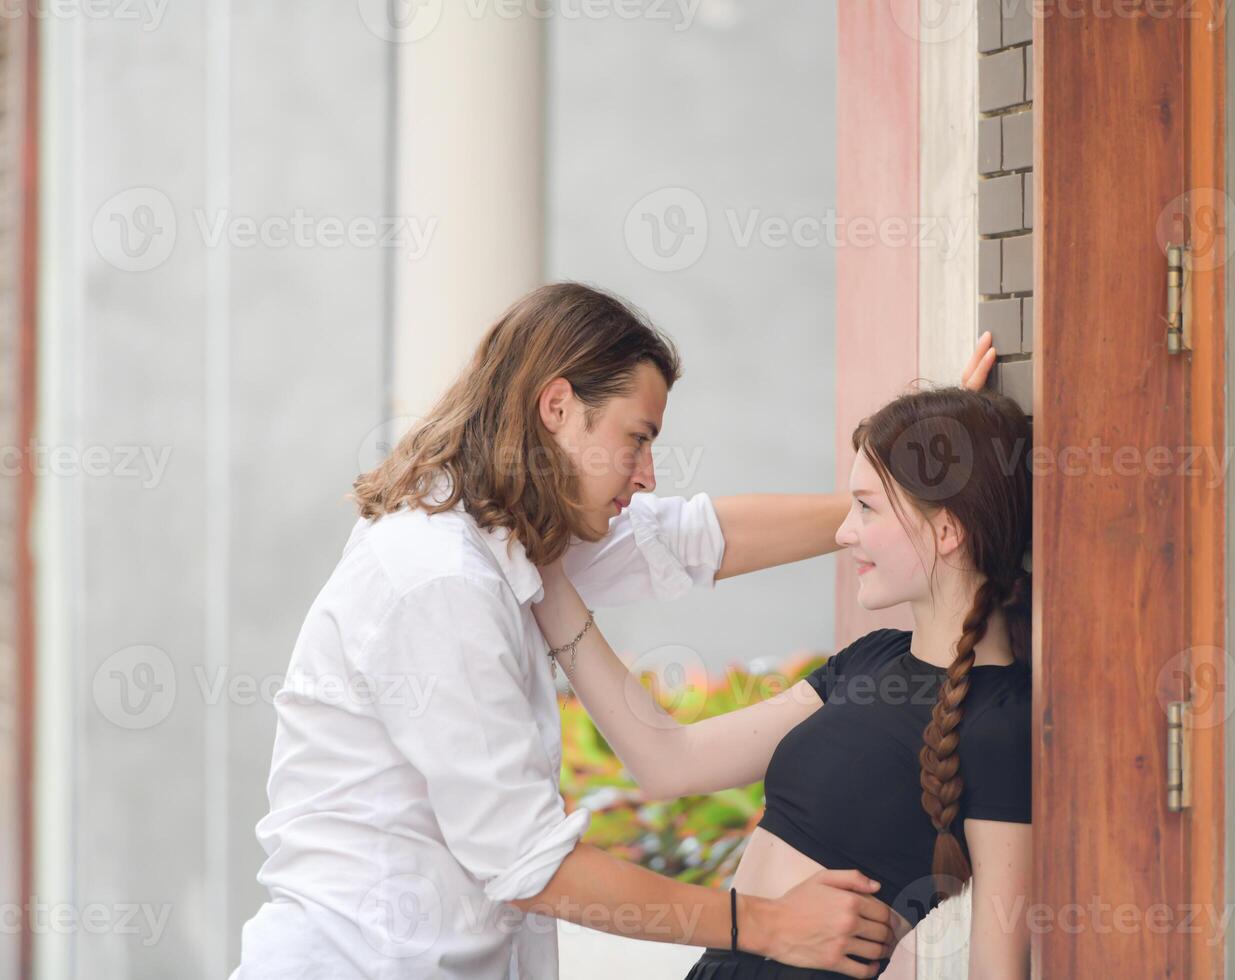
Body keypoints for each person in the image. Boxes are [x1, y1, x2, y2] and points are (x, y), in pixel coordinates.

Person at [231, 283, 1000, 978]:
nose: (647, 473)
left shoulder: (511, 537)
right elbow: (533, 869)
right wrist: (764, 926)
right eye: (639, 438)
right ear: (557, 407)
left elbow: (695, 539)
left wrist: (911, 496)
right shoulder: (442, 580)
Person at [531, 384, 1032, 980]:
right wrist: (548, 574)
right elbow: (669, 762)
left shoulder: (1001, 723)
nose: (844, 532)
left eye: (866, 507)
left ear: (947, 531)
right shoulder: (871, 660)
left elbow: (999, 970)